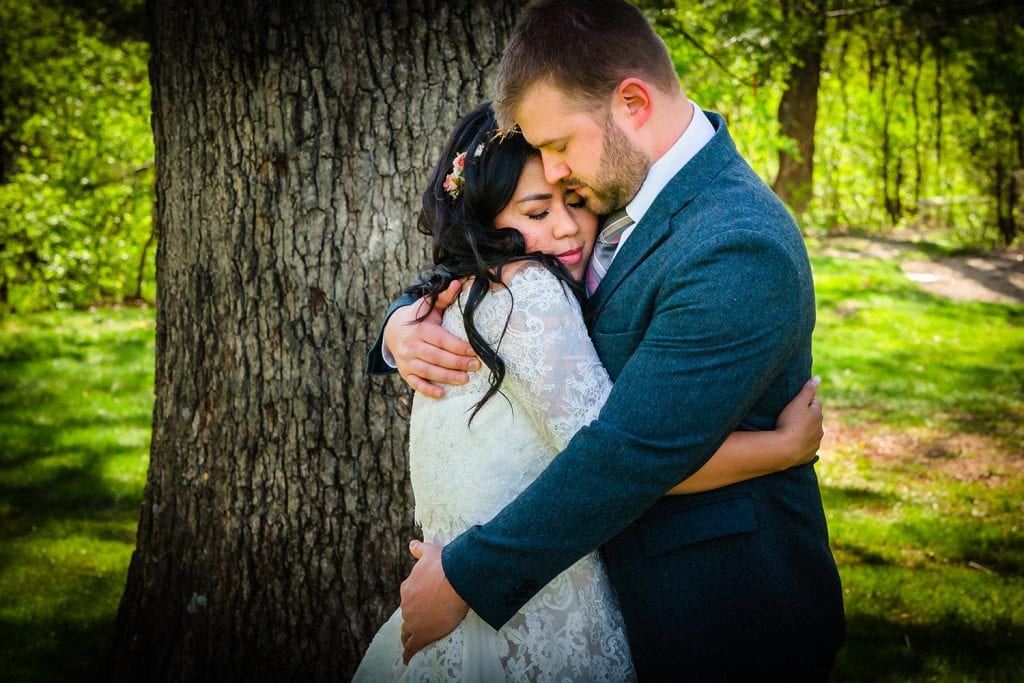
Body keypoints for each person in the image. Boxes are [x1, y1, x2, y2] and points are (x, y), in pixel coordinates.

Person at [357, 102, 826, 681]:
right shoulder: (526, 291)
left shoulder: (711, 236)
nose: (564, 226)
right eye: (537, 209)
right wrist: (780, 449)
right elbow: (612, 455)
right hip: (537, 599)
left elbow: (619, 453)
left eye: (574, 202)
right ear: (484, 219)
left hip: (690, 592)